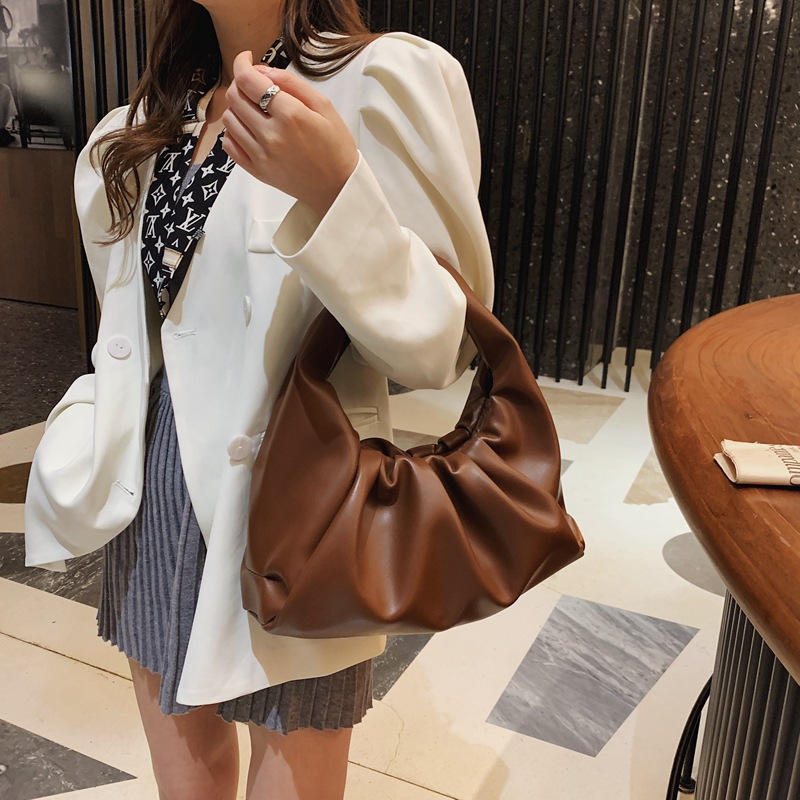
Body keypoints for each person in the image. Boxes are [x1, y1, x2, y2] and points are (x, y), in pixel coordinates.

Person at [24, 0, 494, 797]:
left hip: (296, 489)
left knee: (293, 772)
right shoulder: (144, 123)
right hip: (152, 480)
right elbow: (135, 327)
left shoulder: (380, 82)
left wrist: (335, 190)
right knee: (186, 777)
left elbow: (443, 347)